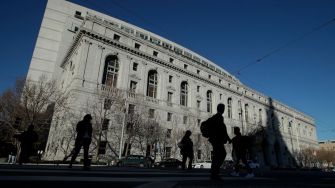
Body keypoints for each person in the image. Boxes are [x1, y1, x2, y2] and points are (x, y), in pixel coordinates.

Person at [208, 103, 231, 180]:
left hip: (214, 139)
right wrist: (228, 138)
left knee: (216, 155)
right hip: (217, 140)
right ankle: (215, 171)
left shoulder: (216, 117)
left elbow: (223, 129)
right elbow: (223, 129)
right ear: (222, 109)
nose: (224, 110)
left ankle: (214, 172)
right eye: (223, 108)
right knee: (222, 154)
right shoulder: (219, 117)